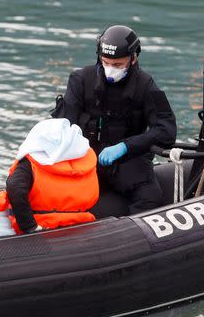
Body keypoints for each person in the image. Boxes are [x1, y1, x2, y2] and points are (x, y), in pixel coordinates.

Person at [55, 25, 176, 214]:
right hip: (86, 159)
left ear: (133, 58)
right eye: (106, 62)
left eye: (118, 65)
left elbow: (167, 130)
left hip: (128, 161)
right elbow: (62, 127)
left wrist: (125, 147)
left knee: (150, 197)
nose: (111, 69)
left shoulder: (147, 85)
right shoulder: (79, 80)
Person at [5, 118, 99, 234]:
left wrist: (30, 227)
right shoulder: (86, 159)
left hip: (42, 225)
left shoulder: (30, 163)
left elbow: (15, 188)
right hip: (82, 222)